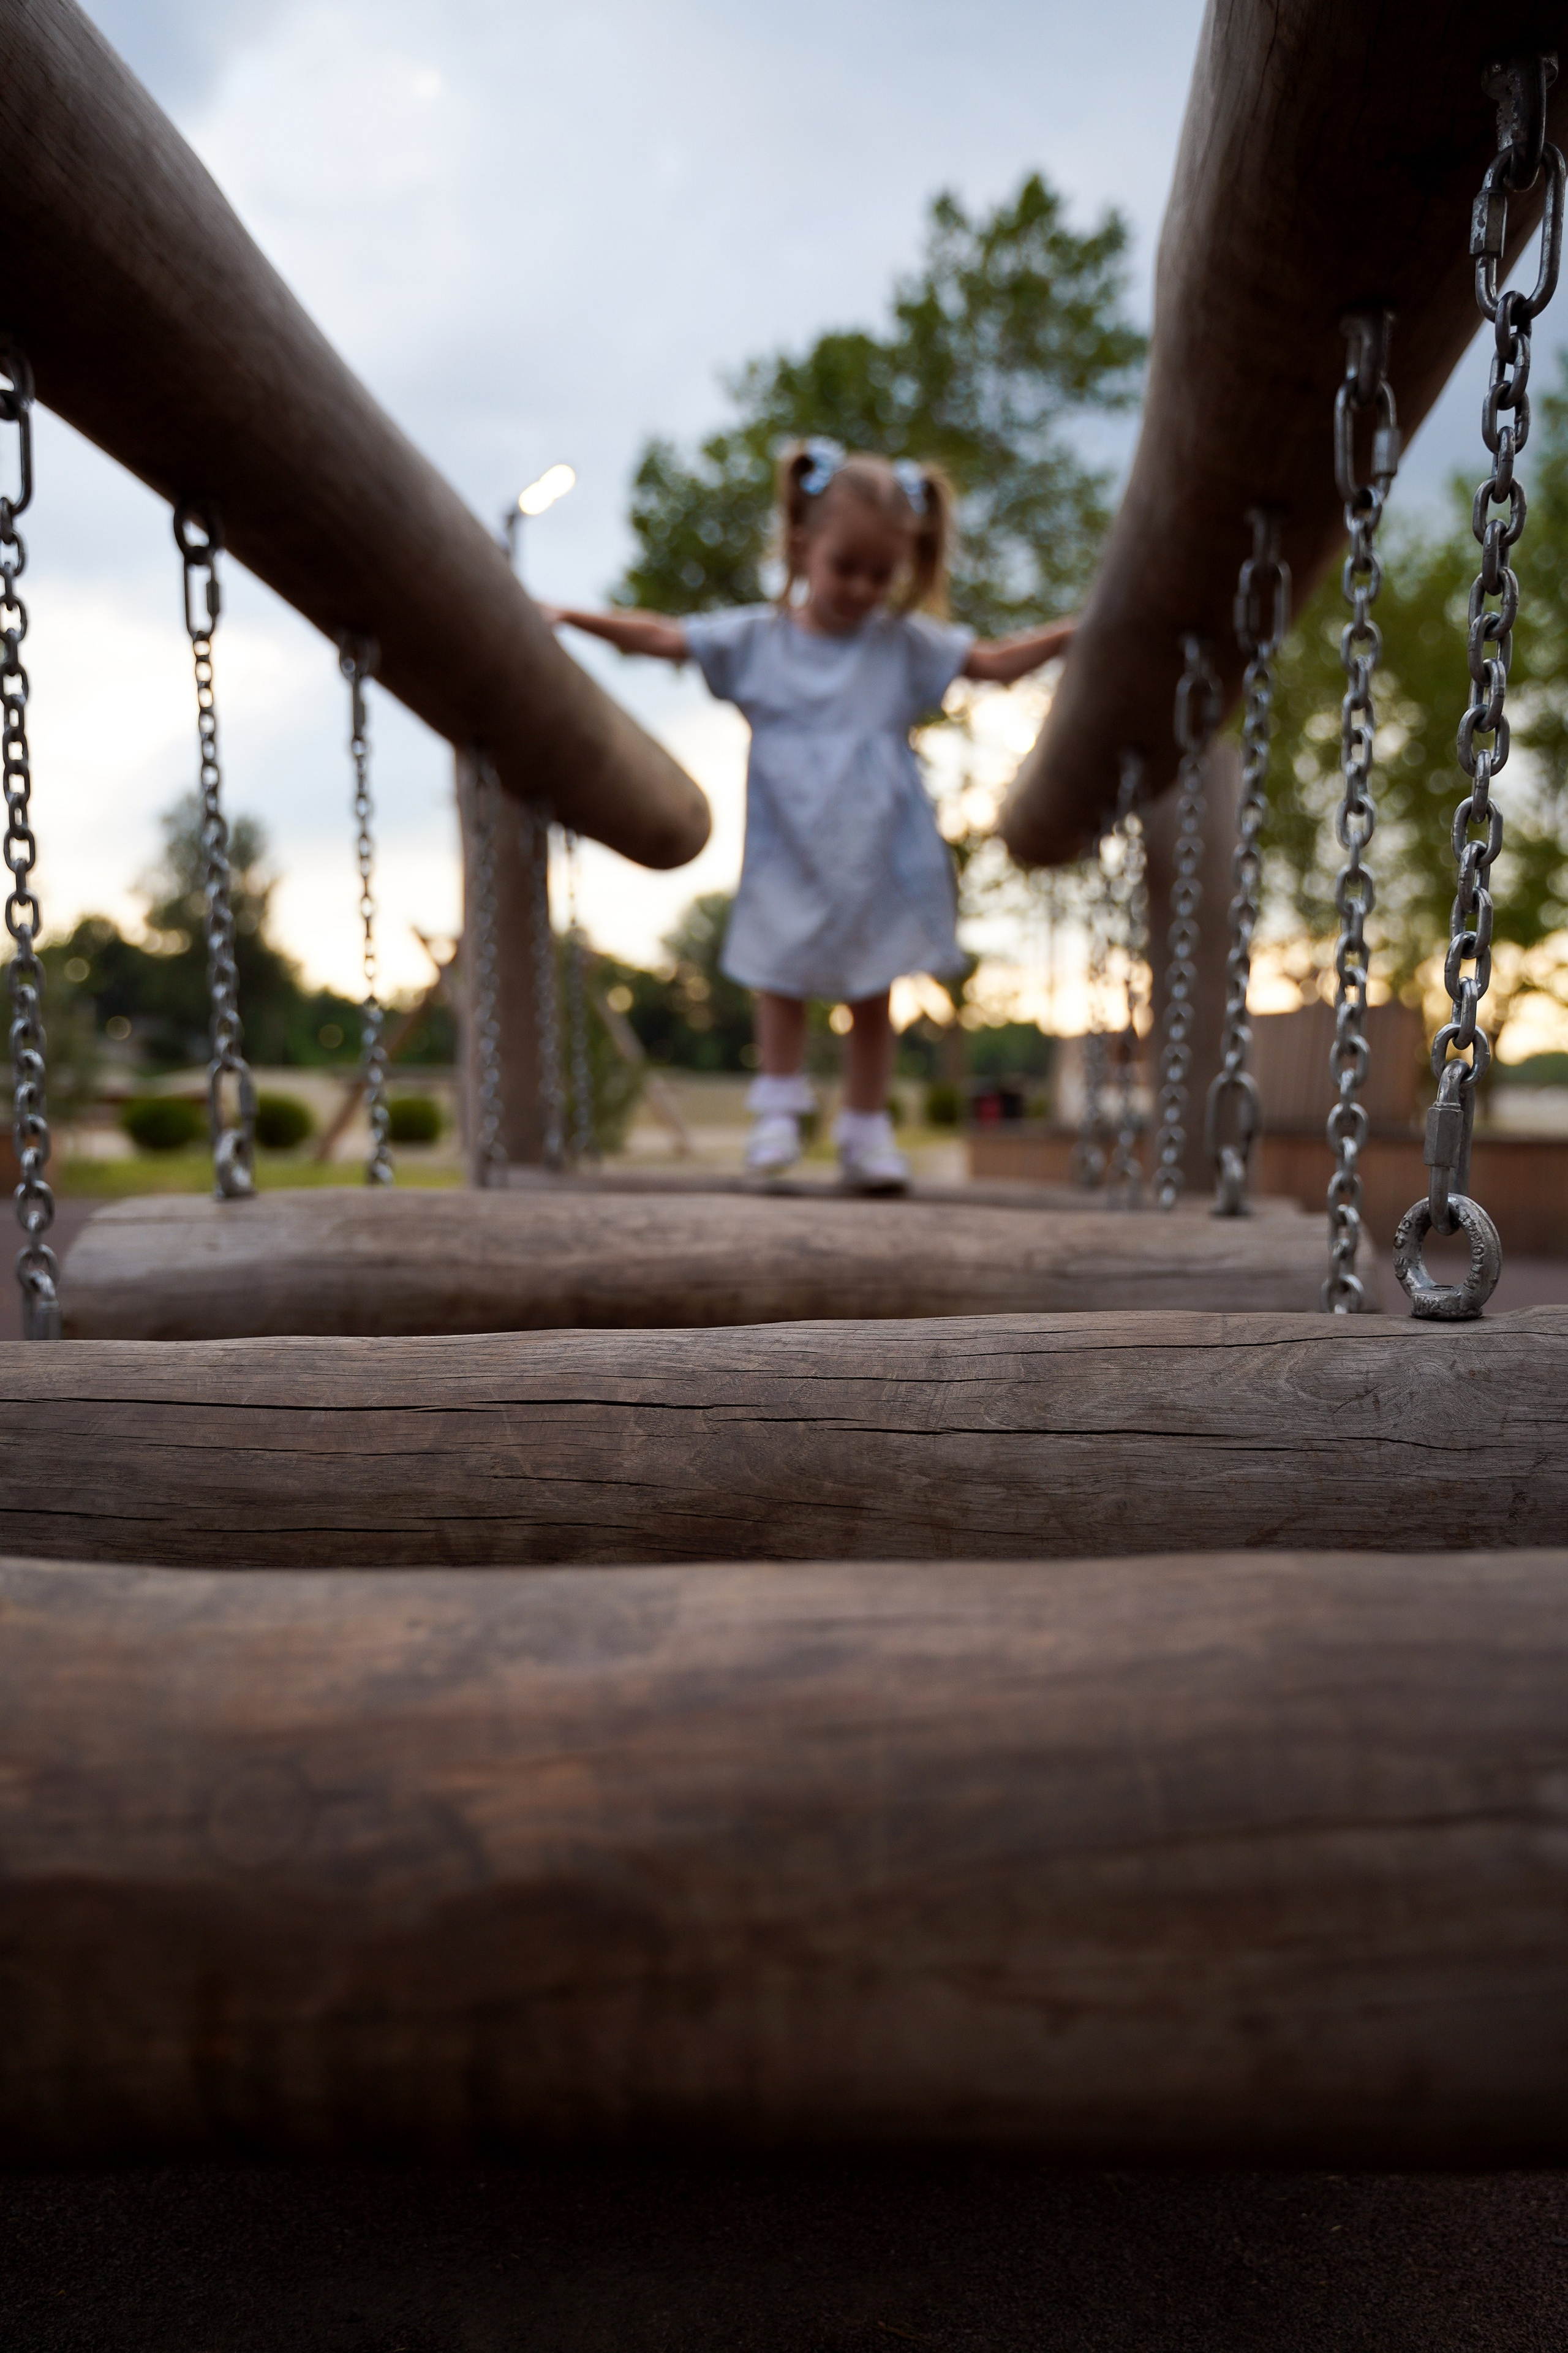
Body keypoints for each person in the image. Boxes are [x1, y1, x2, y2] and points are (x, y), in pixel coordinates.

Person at [548, 439, 1074, 1189]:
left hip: (878, 847)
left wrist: (1077, 633)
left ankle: (865, 1131)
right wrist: (570, 617)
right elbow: (665, 637)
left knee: (872, 989)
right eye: (845, 567)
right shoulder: (759, 642)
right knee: (778, 974)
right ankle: (776, 1116)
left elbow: (989, 664)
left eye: (881, 574)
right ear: (801, 547)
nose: (862, 587)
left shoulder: (899, 646)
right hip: (788, 844)